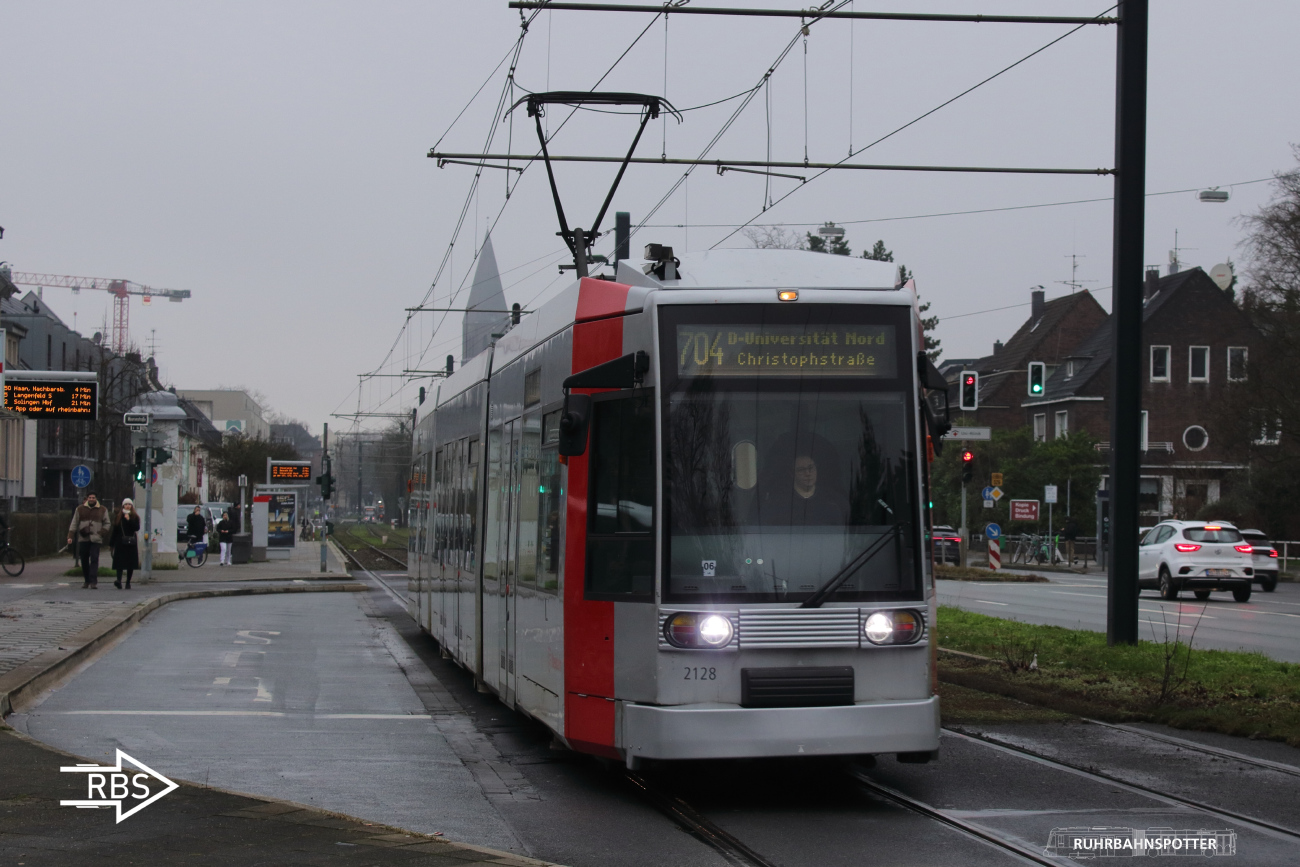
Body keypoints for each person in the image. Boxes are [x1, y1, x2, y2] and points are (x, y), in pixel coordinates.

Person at [67, 492, 111, 589]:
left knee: (94, 559)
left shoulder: (102, 509)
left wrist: (101, 533)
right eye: (90, 497)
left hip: (96, 539)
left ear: (96, 499)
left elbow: (107, 523)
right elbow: (74, 523)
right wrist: (70, 536)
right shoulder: (80, 509)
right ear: (87, 499)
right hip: (84, 538)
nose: (91, 499)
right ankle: (86, 580)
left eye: (93, 497)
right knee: (84, 560)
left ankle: (93, 581)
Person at [110, 498, 141, 589]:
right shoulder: (118, 517)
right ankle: (119, 580)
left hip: (131, 543)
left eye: (129, 504)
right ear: (123, 506)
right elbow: (115, 530)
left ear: (132, 506)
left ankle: (128, 582)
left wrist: (129, 520)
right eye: (126, 504)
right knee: (119, 563)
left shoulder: (135, 517)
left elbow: (136, 528)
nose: (128, 506)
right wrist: (111, 544)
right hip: (120, 543)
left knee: (130, 563)